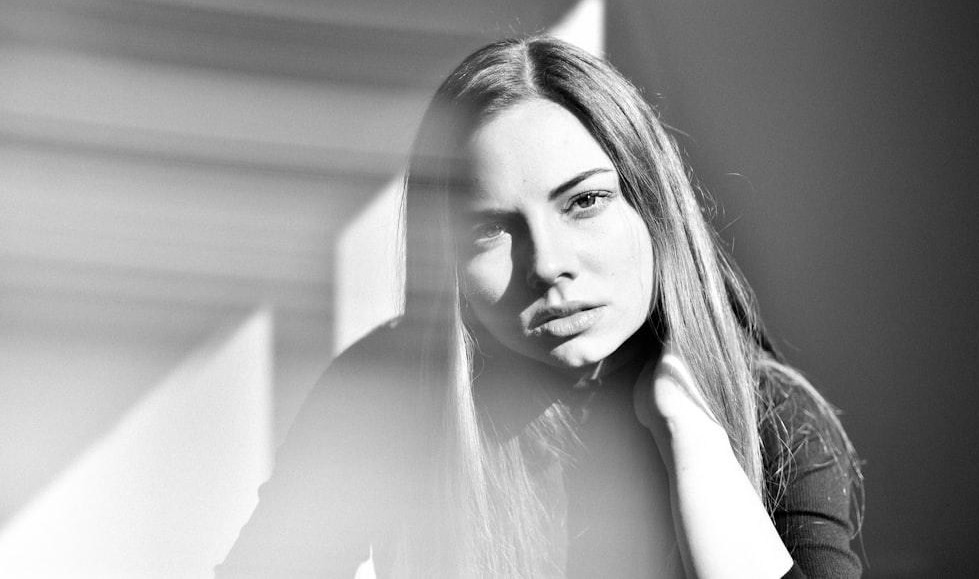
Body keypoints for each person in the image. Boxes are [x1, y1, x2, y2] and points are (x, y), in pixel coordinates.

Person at [217, 37, 863, 578]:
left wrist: (693, 446)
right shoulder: (388, 395)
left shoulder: (773, 418)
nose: (548, 263)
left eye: (584, 202)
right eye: (487, 231)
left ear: (655, 207)